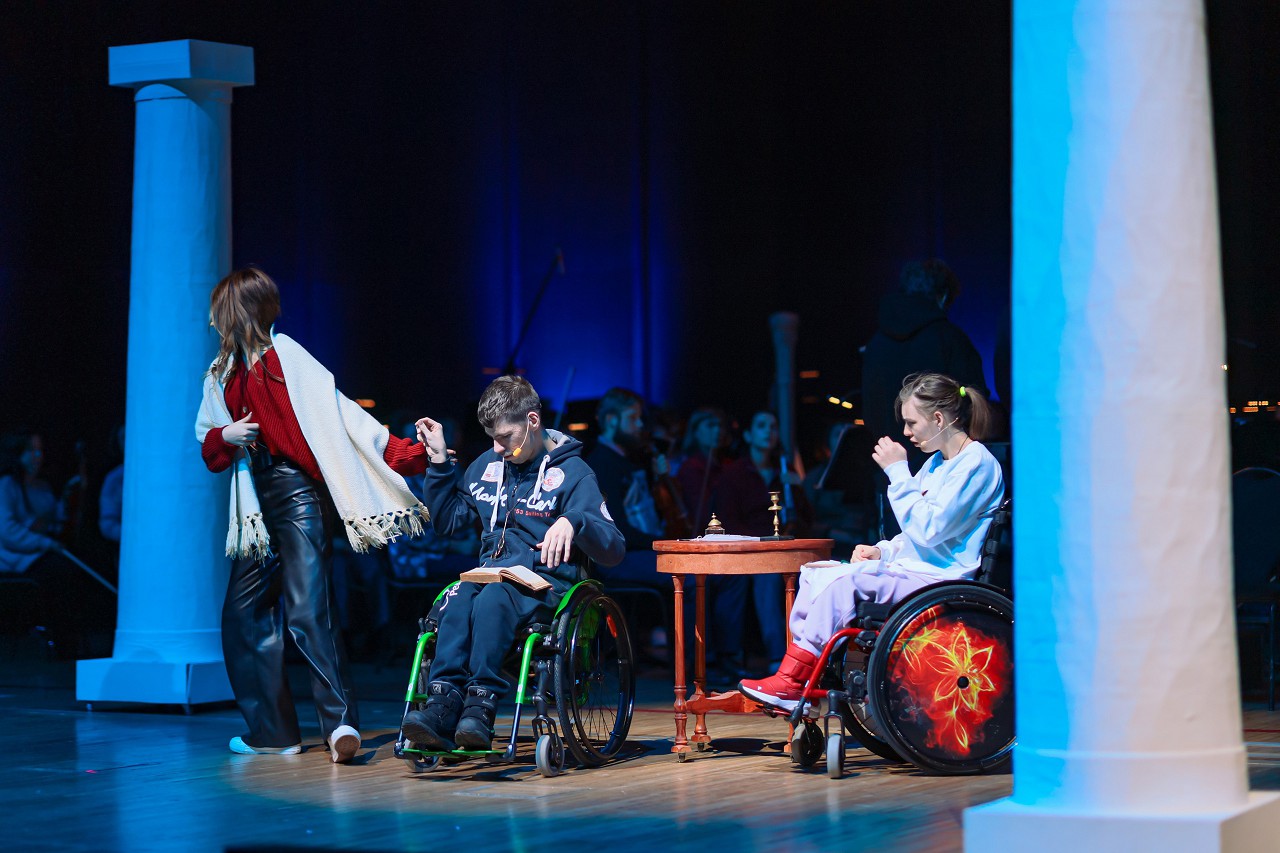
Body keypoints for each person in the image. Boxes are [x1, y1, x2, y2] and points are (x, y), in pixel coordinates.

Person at [195, 267, 429, 762]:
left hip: (298, 497)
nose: (213, 322)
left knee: (308, 610)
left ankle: (340, 724)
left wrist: (413, 454)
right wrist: (225, 436)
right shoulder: (222, 375)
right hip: (255, 506)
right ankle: (273, 732)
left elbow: (345, 418)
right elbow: (211, 450)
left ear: (236, 312)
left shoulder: (288, 357)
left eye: (218, 312)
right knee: (242, 614)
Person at [738, 373, 1005, 712]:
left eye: (912, 423)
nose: (906, 432)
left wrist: (898, 472)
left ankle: (792, 681)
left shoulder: (977, 464)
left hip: (939, 580)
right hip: (915, 570)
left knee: (843, 585)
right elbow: (915, 533)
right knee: (817, 573)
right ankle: (803, 677)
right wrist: (883, 550)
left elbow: (929, 529)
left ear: (938, 419)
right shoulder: (938, 463)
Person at [399, 376, 624, 751]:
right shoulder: (487, 465)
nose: (497, 448)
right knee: (456, 597)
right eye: (491, 438)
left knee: (492, 599)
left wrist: (575, 521)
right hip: (491, 576)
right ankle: (442, 704)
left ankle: (480, 706)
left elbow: (614, 549)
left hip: (546, 583)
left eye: (505, 437)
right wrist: (438, 462)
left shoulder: (573, 473)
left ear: (532, 421)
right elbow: (449, 521)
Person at [712, 410, 812, 672]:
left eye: (773, 426)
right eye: (761, 426)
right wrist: (761, 542)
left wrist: (798, 487)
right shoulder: (734, 474)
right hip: (749, 550)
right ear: (748, 435)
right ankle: (779, 656)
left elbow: (806, 518)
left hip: (785, 547)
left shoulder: (784, 470)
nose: (769, 431)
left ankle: (812, 654)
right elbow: (728, 521)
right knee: (768, 578)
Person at [0, 430, 108, 655]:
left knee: (82, 565)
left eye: (39, 450)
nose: (37, 456)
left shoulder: (41, 486)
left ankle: (82, 639)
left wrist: (71, 494)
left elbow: (53, 519)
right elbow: (8, 532)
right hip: (15, 558)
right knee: (60, 574)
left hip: (41, 551)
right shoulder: (6, 486)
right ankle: (63, 642)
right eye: (31, 450)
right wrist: (44, 542)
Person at [673, 406, 728, 533]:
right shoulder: (691, 468)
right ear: (696, 432)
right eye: (710, 425)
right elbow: (702, 514)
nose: (718, 430)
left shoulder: (725, 464)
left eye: (720, 425)